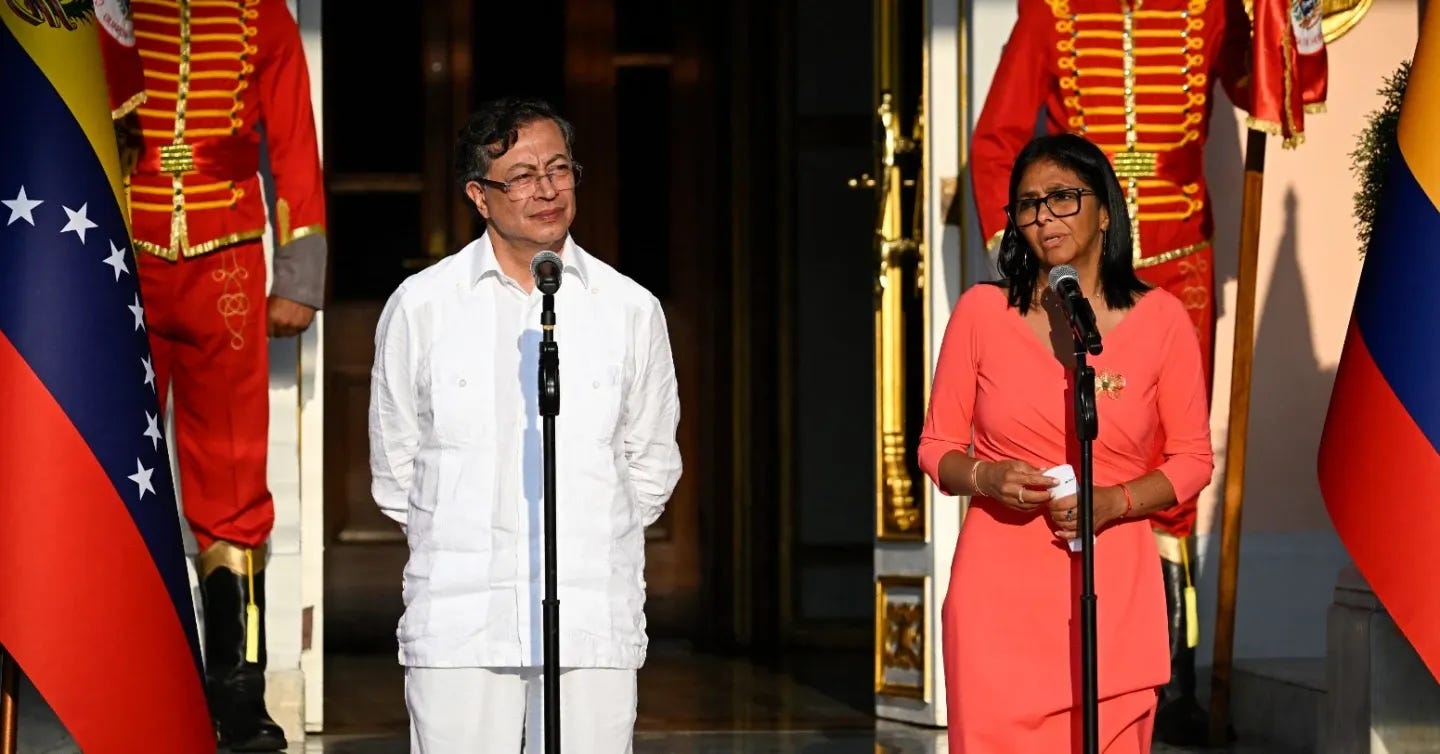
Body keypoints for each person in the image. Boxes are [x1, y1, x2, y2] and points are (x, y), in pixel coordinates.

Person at [968, 0, 1251, 738]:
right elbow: (997, 137)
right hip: (1077, 274)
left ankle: (1175, 677)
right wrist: (1021, 255)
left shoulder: (1210, 10)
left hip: (1178, 258)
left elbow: (1261, 89)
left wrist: (1288, 27)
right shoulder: (1051, 11)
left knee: (1174, 466)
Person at [369, 97, 682, 754]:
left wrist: (593, 540)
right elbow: (397, 469)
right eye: (522, 176)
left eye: (559, 169)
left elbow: (651, 463)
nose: (547, 190)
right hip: (459, 622)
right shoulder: (422, 306)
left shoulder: (629, 308)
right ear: (479, 196)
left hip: (590, 618)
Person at [920, 133, 1214, 752]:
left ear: (1104, 210)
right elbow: (935, 447)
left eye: (1061, 197)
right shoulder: (981, 312)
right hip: (999, 596)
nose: (1044, 216)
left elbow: (1192, 461)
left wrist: (1116, 501)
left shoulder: (1162, 319)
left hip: (1114, 583)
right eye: (1028, 205)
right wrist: (986, 477)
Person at [122, 1, 328, 749]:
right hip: (118, 261)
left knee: (234, 481)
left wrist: (298, 274)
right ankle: (124, 675)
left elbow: (295, 142)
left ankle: (238, 690)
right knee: (113, 469)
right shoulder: (105, 11)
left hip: (227, 264)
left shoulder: (260, 14)